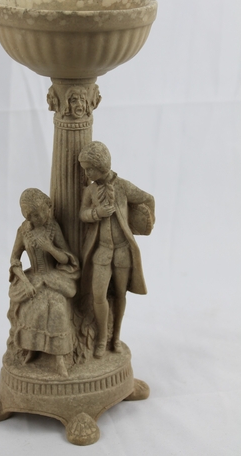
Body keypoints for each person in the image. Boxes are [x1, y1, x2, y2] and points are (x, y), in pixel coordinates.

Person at [79, 142, 155, 359]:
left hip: (123, 251)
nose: (87, 173)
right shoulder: (91, 190)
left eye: (90, 169)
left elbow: (148, 199)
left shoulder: (123, 186)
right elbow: (82, 214)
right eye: (85, 169)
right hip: (102, 251)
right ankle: (102, 338)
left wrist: (144, 224)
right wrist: (97, 213)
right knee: (98, 295)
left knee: (120, 293)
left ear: (101, 165)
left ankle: (116, 337)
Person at [8, 188, 79, 377]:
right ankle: (32, 350)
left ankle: (59, 358)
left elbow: (66, 258)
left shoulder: (53, 228)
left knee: (57, 307)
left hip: (54, 276)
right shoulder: (24, 231)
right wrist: (25, 282)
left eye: (36, 215)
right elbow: (15, 260)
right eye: (29, 216)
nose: (33, 220)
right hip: (32, 278)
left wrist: (50, 248)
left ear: (48, 207)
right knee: (32, 308)